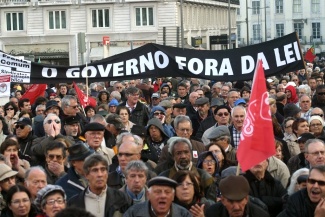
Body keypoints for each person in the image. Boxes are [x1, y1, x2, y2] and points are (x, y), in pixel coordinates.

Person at [123, 176, 191, 217]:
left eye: (167, 192)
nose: (163, 196)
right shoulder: (133, 213)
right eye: (158, 192)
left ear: (173, 196)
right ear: (148, 195)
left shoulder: (183, 214)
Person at [205, 175, 270, 217]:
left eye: (239, 200)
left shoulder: (260, 215)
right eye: (231, 201)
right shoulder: (212, 213)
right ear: (223, 200)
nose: (236, 207)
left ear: (246, 199)